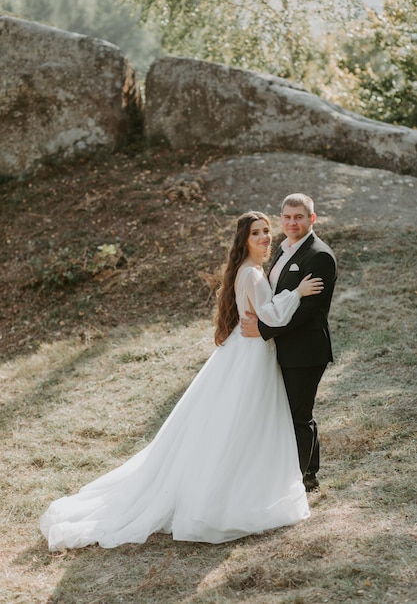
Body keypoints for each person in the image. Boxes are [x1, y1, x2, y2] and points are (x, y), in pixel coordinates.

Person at [40, 211, 324, 551]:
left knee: (238, 421)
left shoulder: (249, 271)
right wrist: (299, 292)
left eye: (266, 231)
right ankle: (226, 494)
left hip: (244, 351)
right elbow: (271, 315)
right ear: (243, 240)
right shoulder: (251, 274)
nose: (265, 237)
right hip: (250, 357)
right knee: (243, 421)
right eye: (257, 233)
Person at [241, 194, 337, 492]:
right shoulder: (282, 251)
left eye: (299, 216)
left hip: (305, 350)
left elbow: (309, 311)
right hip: (284, 348)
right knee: (293, 412)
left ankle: (299, 480)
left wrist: (264, 329)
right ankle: (307, 473)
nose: (292, 222)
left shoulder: (318, 255)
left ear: (312, 218)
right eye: (287, 217)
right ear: (281, 218)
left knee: (298, 415)